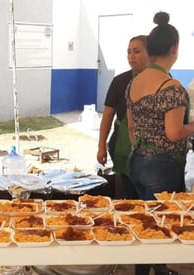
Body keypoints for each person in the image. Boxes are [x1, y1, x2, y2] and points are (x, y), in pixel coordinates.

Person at [126, 12, 191, 275]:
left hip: (138, 161)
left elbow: (131, 127)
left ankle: (157, 269)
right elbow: (175, 133)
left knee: (146, 221)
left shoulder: (133, 83)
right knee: (156, 226)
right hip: (162, 166)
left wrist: (141, 152)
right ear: (175, 48)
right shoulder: (171, 86)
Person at [97, 35, 150, 199]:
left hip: (152, 150)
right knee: (125, 194)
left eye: (137, 51)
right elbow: (107, 116)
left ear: (150, 53)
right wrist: (101, 146)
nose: (131, 56)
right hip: (122, 146)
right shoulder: (120, 81)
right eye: (129, 52)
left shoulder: (162, 82)